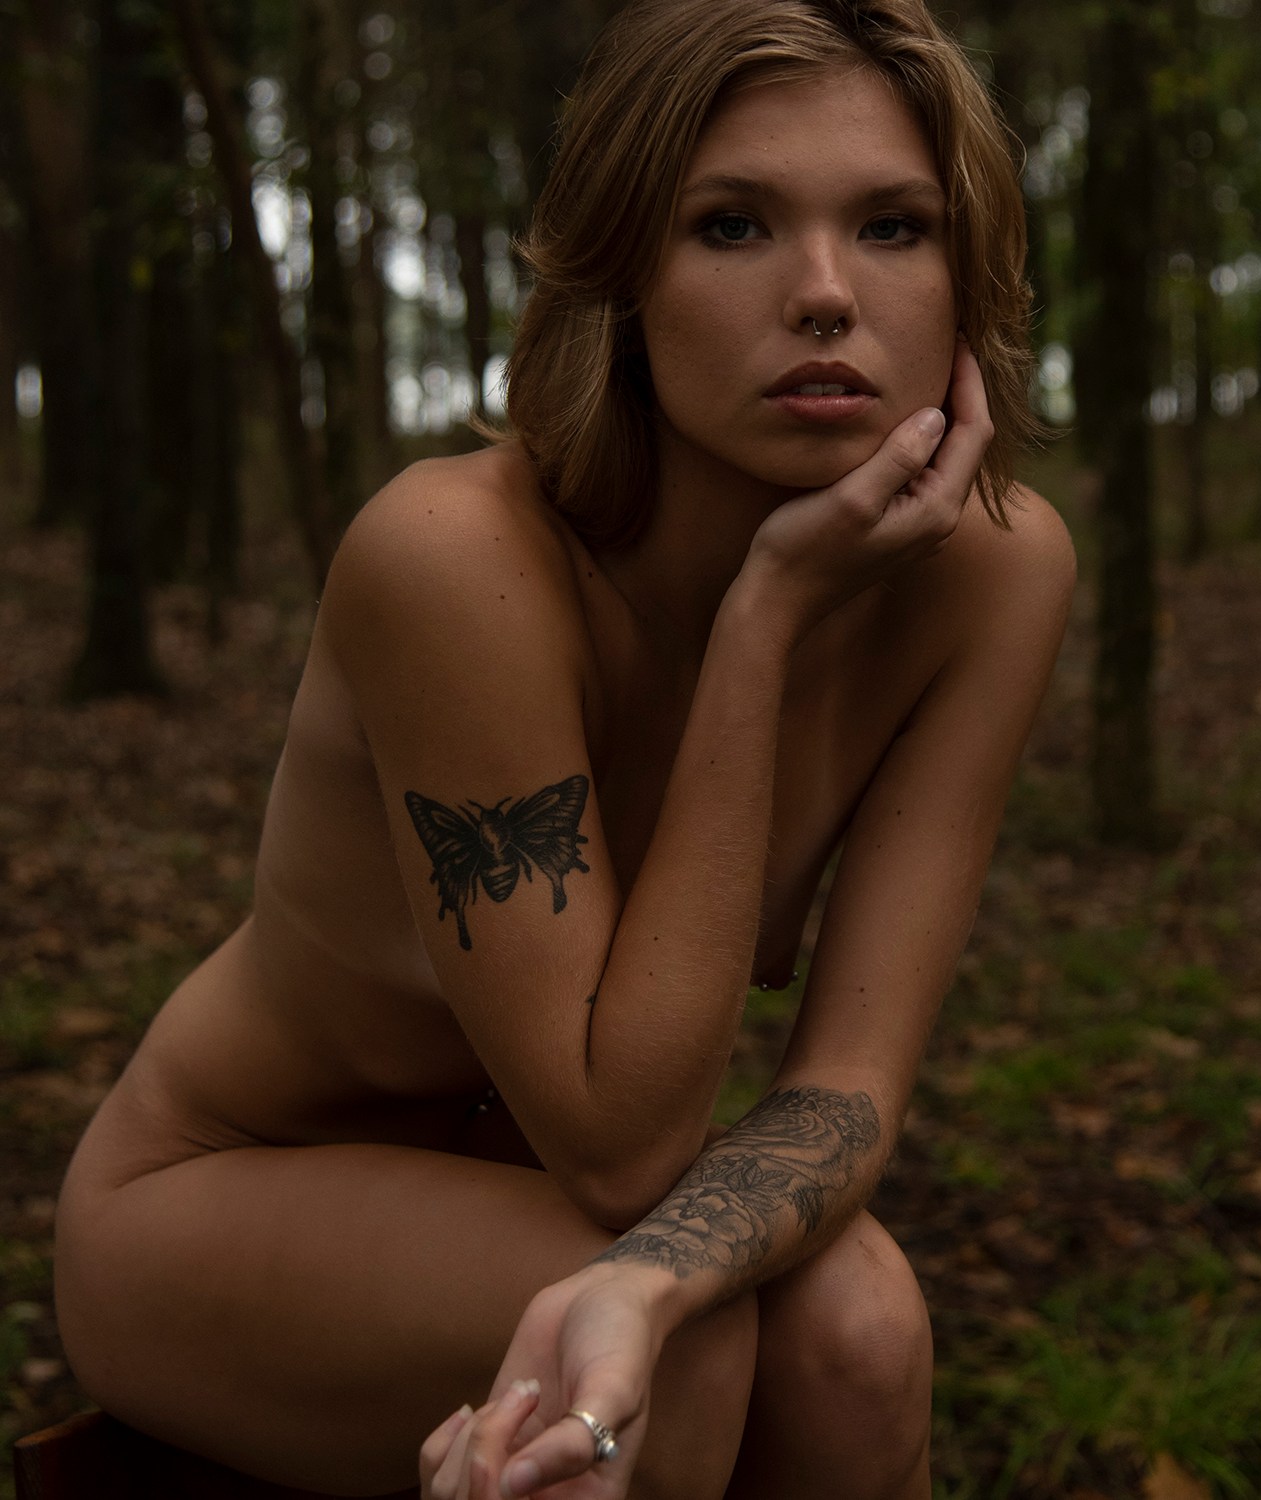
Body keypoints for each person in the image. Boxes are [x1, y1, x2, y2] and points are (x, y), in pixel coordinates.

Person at [52, 0, 1074, 1496]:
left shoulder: (997, 573)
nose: (824, 294)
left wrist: (649, 1276)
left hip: (549, 1200)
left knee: (858, 1333)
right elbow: (617, 1140)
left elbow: (849, 1087)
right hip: (228, 1189)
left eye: (894, 227)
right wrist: (764, 620)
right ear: (621, 277)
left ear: (968, 274)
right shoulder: (454, 560)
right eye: (731, 226)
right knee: (683, 1355)